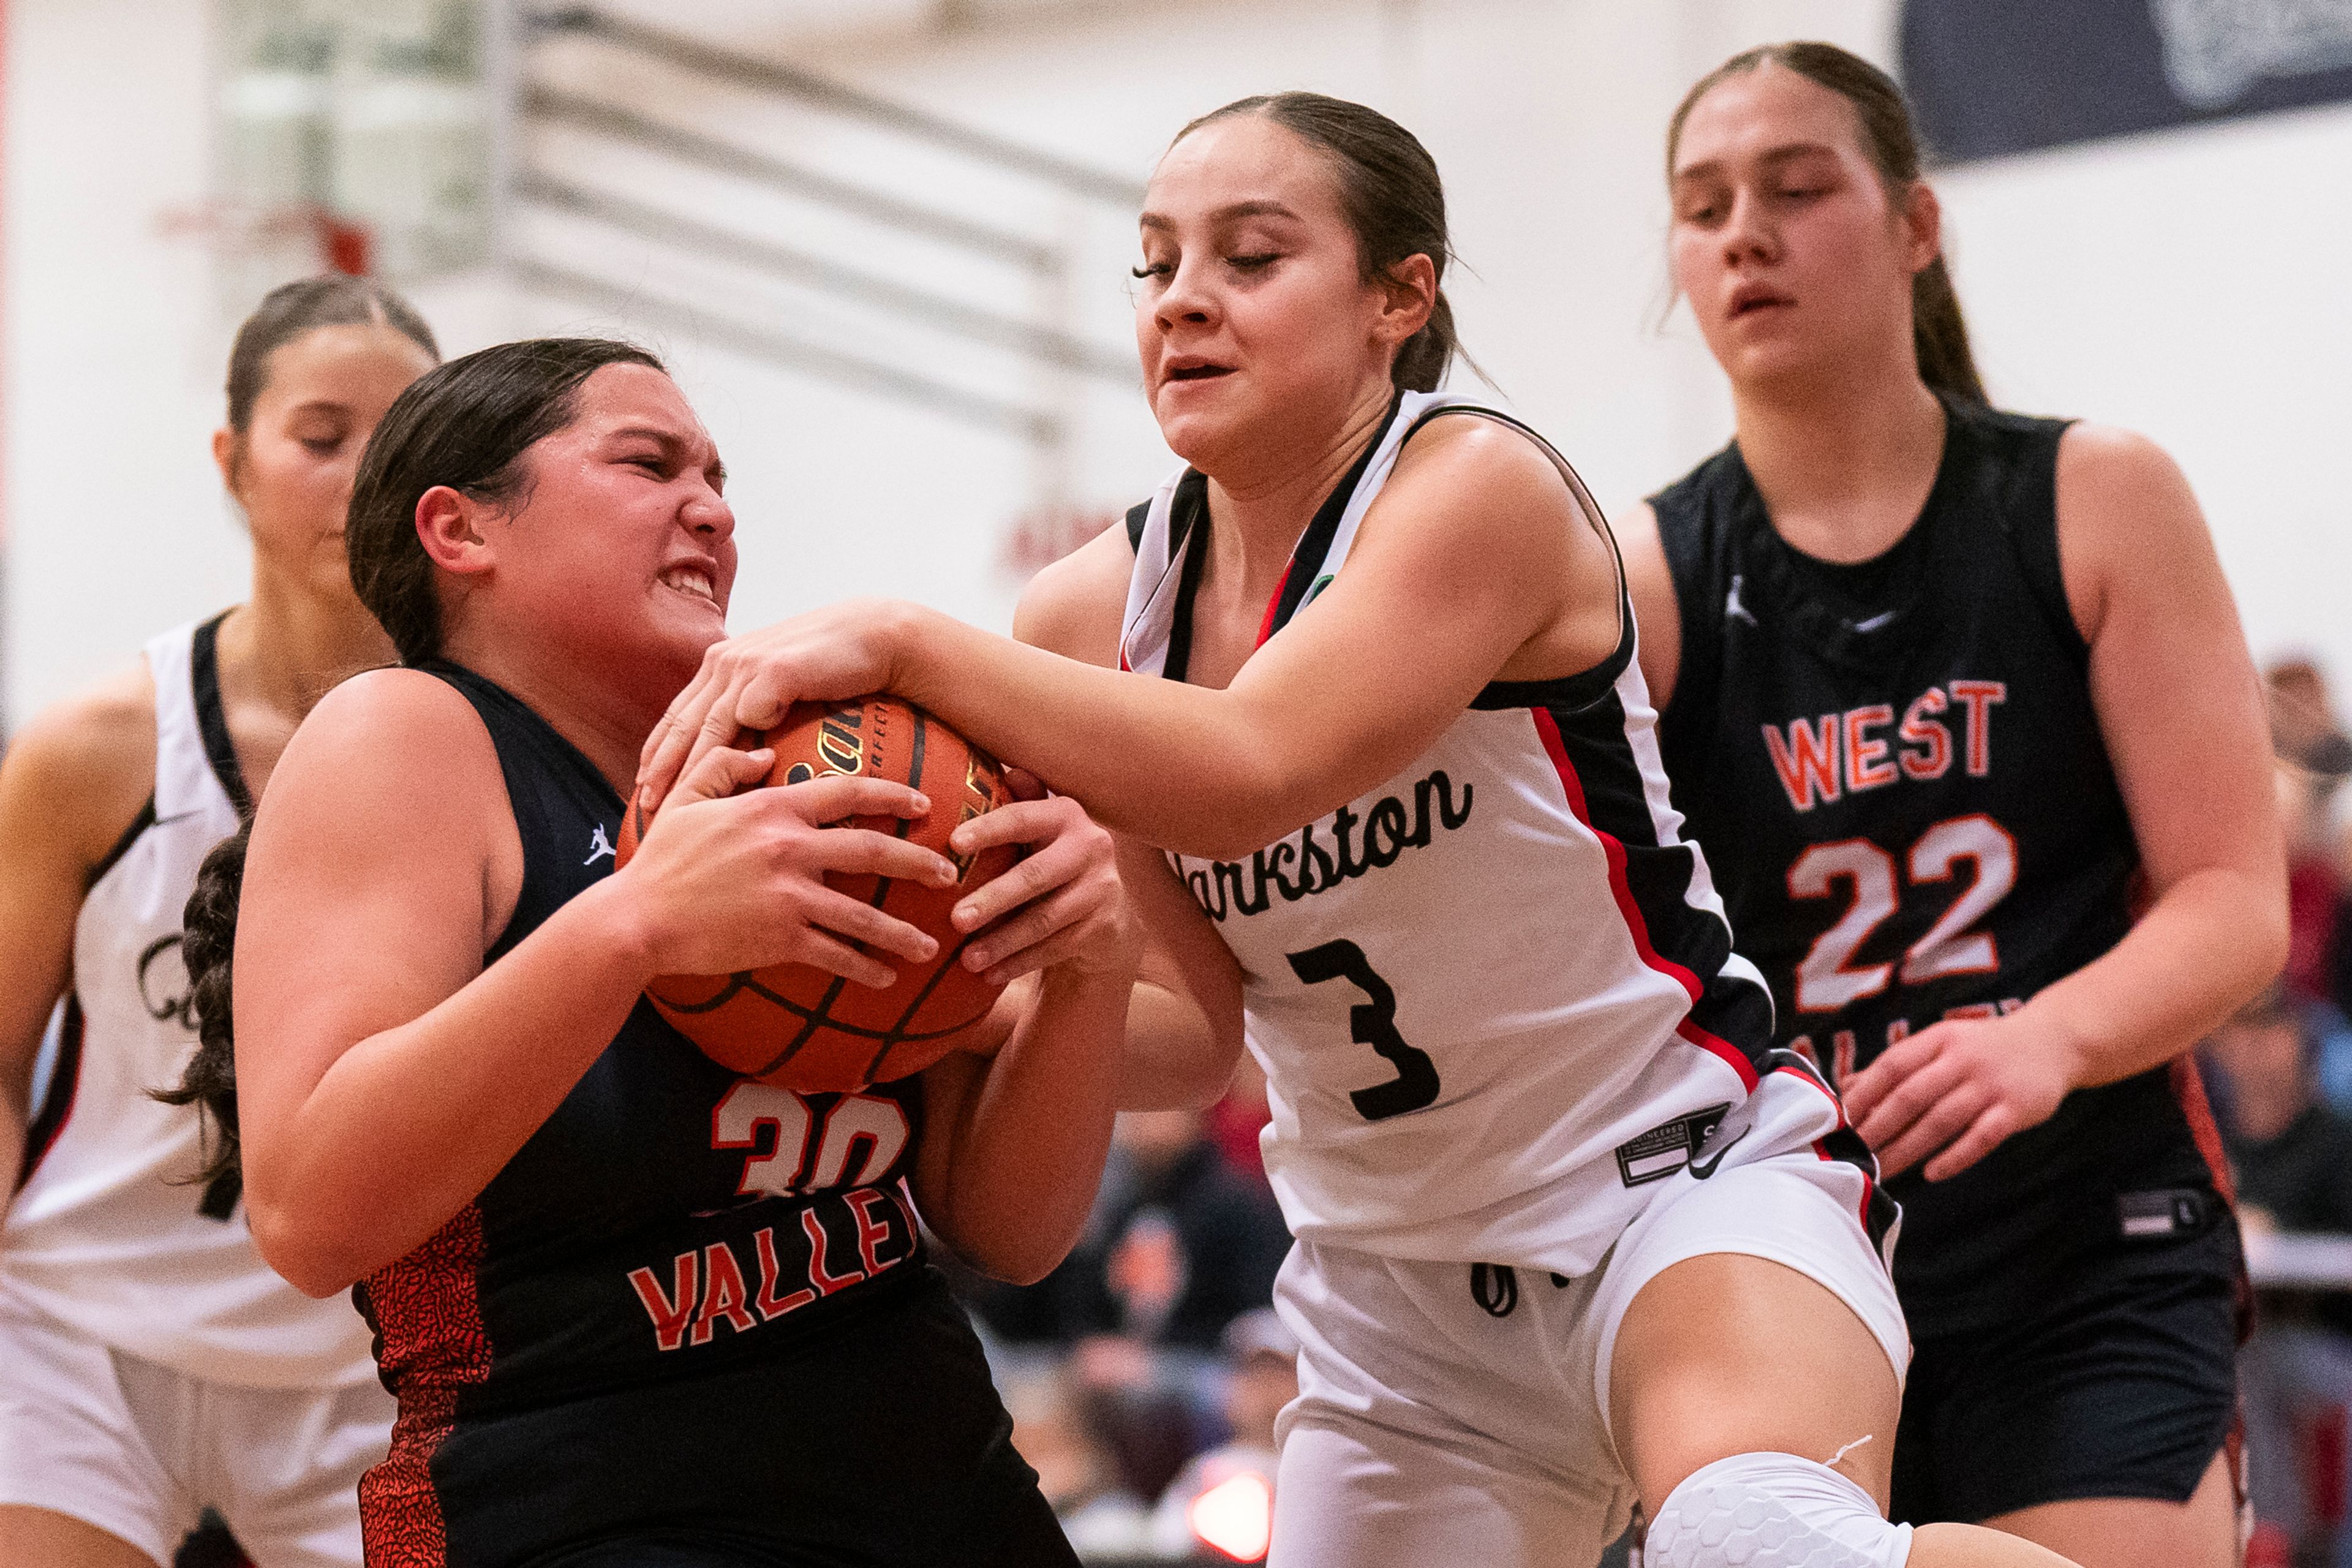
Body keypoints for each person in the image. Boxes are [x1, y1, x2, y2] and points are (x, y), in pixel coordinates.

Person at [636, 92, 2077, 1568]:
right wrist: (918, 977)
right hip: (1393, 1292)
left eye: (1250, 256)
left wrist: (894, 634)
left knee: (1757, 1543)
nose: (1185, 297)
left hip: (1678, 1191)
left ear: (1401, 294)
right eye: (1155, 264)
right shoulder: (1083, 616)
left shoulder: (1477, 489)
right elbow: (1190, 1028)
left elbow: (1254, 761)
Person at [199, 337, 1186, 1566]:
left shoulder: (826, 751)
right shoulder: (405, 736)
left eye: (719, 477)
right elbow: (308, 1212)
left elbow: (1005, 1231)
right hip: (588, 1495)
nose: (712, 507)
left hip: (935, 1467)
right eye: (649, 462)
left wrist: (1086, 965)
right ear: (461, 531)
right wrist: (635, 921)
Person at [1614, 42, 2285, 1567]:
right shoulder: (1647, 575)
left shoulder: (2093, 496)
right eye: (1702, 206)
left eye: (1797, 189)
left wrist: (2047, 1035)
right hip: (1797, 1253)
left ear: (1917, 224)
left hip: (2085, 1242)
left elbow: (2236, 902)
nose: (1745, 235)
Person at [0, 276, 439, 1568]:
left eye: (401, 433)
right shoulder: (92, 747)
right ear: (232, 460)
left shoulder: (486, 745)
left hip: (368, 1360)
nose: (363, 474)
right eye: (321, 433)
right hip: (82, 1333)